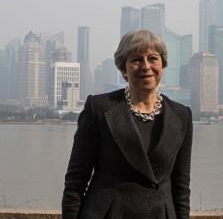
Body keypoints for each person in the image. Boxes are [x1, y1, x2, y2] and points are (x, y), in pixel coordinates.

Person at [62, 29, 193, 219]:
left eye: (153, 58)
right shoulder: (99, 109)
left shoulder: (181, 116)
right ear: (124, 68)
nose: (146, 66)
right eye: (136, 59)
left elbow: (181, 187)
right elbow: (75, 182)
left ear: (162, 64)